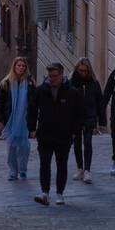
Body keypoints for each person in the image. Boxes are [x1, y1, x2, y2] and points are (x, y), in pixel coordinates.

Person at [29, 61, 83, 206]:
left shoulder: (72, 92)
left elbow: (78, 114)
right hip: (45, 133)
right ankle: (44, 192)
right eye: (49, 76)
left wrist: (75, 133)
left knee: (62, 164)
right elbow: (32, 110)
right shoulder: (41, 90)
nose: (51, 79)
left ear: (61, 75)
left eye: (54, 76)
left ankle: (60, 193)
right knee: (44, 163)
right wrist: (32, 128)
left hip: (63, 135)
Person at [0, 56, 36, 180]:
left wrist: (33, 124)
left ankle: (23, 169)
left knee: (24, 146)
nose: (21, 68)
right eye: (19, 65)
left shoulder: (30, 83)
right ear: (14, 66)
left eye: (23, 66)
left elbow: (34, 104)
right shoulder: (5, 83)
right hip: (10, 119)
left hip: (24, 119)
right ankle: (13, 170)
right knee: (11, 146)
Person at [70, 58, 105, 182]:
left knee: (88, 142)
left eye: (85, 71)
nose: (83, 73)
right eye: (80, 70)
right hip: (75, 118)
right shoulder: (71, 83)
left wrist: (102, 121)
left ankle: (87, 170)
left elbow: (100, 102)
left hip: (89, 116)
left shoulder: (94, 83)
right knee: (77, 143)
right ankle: (80, 168)